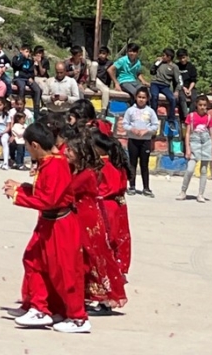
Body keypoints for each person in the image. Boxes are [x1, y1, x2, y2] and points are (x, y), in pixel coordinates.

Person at [3, 123, 91, 334]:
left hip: (61, 225)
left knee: (65, 271)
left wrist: (18, 196)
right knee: (33, 260)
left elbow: (49, 199)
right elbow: (44, 190)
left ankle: (78, 318)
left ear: (35, 145)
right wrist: (22, 187)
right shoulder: (48, 162)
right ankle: (41, 307)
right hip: (48, 223)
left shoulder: (56, 165)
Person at [63, 134, 128, 314]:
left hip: (89, 219)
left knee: (97, 256)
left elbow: (69, 191)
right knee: (85, 257)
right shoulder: (79, 170)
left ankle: (107, 298)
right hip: (82, 216)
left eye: (70, 150)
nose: (65, 152)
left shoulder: (87, 174)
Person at [94, 131, 132, 277]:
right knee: (119, 236)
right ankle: (117, 267)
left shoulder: (104, 165)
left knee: (108, 237)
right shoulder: (117, 163)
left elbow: (107, 189)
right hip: (117, 205)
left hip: (107, 205)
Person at [121, 86, 158, 197]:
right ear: (136, 97)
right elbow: (125, 124)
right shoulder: (130, 110)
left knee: (144, 164)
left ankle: (146, 188)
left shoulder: (150, 111)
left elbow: (155, 125)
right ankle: (132, 186)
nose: (141, 99)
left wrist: (146, 131)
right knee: (132, 164)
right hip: (133, 140)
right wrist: (132, 129)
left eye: (144, 97)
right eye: (139, 97)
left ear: (147, 99)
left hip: (145, 141)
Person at [177, 94, 212, 202]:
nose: (202, 107)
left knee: (203, 171)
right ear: (196, 105)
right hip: (194, 143)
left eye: (204, 105)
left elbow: (211, 134)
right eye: (200, 105)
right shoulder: (191, 116)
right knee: (190, 169)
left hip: (206, 143)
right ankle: (183, 191)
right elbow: (188, 133)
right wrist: (188, 148)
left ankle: (200, 194)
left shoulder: (209, 118)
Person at [149, 48, 179, 130]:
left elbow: (178, 80)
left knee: (172, 99)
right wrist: (155, 63)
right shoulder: (160, 63)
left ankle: (171, 120)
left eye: (164, 56)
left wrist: (176, 90)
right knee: (154, 96)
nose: (162, 57)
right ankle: (153, 117)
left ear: (169, 57)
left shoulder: (174, 67)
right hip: (155, 83)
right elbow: (152, 72)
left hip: (165, 85)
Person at [11, 44, 41, 113]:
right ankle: (20, 106)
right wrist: (22, 57)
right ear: (21, 50)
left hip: (27, 78)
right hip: (19, 79)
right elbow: (16, 65)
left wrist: (30, 77)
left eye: (29, 52)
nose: (28, 53)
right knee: (22, 87)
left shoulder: (30, 61)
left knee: (37, 89)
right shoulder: (16, 58)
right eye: (26, 51)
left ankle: (36, 109)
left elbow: (31, 72)